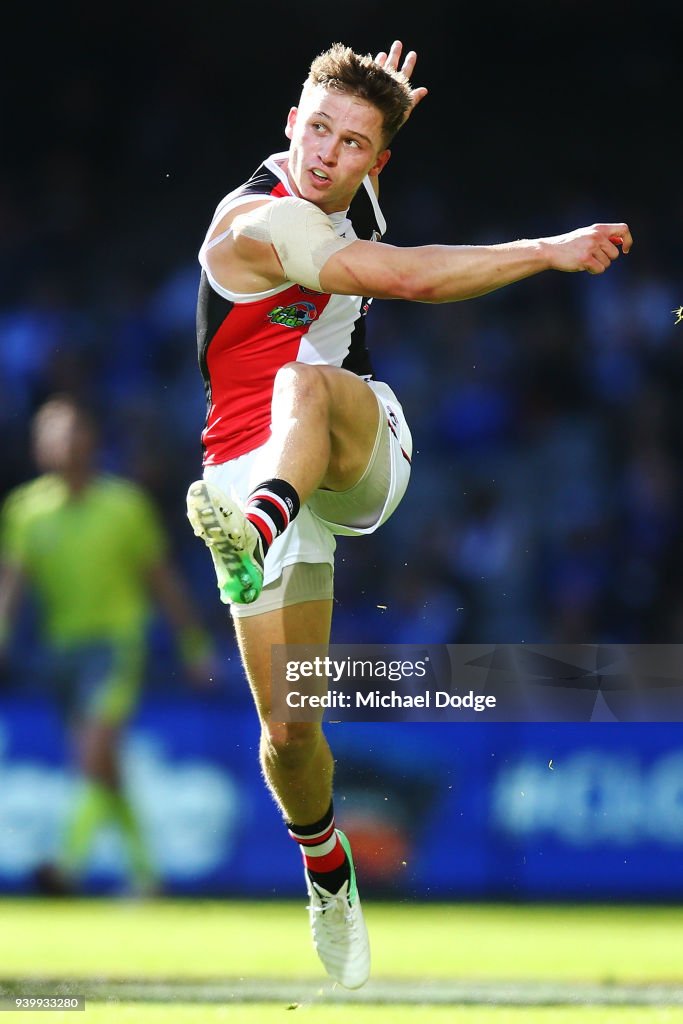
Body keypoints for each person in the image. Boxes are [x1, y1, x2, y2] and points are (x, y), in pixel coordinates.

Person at [186, 40, 632, 987]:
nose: (325, 154)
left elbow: (396, 238)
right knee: (290, 732)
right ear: (286, 124)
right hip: (240, 460)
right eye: (315, 129)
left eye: (351, 142)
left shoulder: (354, 174)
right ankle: (327, 870)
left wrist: (378, 108)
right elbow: (412, 279)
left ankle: (258, 530)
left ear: (378, 160)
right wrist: (547, 249)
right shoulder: (258, 225)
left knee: (309, 377)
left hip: (349, 445)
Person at [0, 395, 214, 895]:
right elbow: (13, 583)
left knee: (93, 754)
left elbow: (163, 581)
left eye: (71, 430)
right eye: (50, 432)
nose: (63, 441)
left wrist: (194, 646)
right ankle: (147, 876)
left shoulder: (124, 506)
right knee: (105, 769)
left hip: (118, 646)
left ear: (91, 439)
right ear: (37, 447)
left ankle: (65, 864)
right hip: (62, 651)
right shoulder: (27, 512)